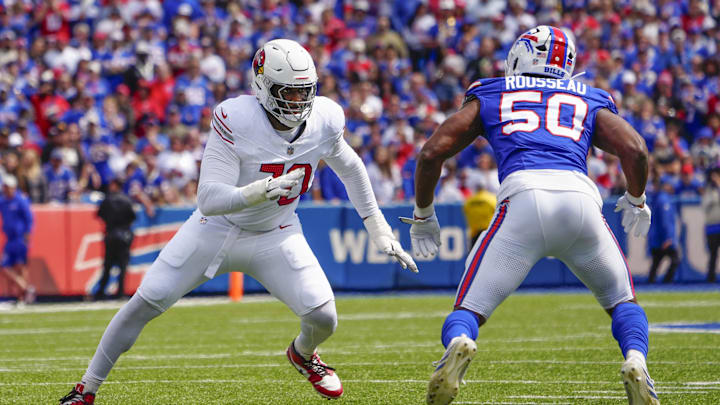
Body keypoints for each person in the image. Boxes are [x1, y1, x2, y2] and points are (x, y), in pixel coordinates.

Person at [59, 39, 417, 405]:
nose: (297, 103)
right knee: (146, 301)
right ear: (262, 86)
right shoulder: (237, 118)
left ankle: (304, 354)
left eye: (303, 93)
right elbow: (209, 199)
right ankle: (85, 389)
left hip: (276, 232)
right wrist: (260, 190)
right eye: (287, 93)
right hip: (214, 229)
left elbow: (352, 168)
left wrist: (377, 228)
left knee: (324, 316)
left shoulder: (324, 119)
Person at [401, 26, 659, 405]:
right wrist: (636, 199)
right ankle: (636, 361)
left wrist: (423, 214)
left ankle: (458, 343)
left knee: (468, 310)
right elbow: (635, 149)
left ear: (520, 55)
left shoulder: (493, 90)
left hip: (522, 198)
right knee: (623, 302)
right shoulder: (589, 96)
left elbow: (431, 153)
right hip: (580, 200)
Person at [94, 178, 136, 300]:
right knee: (123, 266)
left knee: (108, 265)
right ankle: (120, 292)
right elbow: (133, 217)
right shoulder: (127, 200)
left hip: (111, 234)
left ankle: (101, 291)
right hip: (124, 235)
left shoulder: (107, 200)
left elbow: (99, 215)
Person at [0, 175, 35, 305]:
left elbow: (29, 218)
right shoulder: (3, 201)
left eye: (8, 187)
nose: (6, 189)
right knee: (4, 267)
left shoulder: (20, 200)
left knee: (21, 267)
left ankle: (22, 296)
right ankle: (26, 288)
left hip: (20, 238)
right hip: (10, 239)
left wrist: (27, 234)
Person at [647, 176, 679, 284]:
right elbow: (665, 221)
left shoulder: (658, 198)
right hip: (661, 238)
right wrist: (668, 237)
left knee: (656, 262)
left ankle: (651, 282)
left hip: (656, 237)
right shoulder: (663, 200)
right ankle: (666, 282)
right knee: (675, 260)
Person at [701, 167, 720, 282]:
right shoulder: (708, 190)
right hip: (712, 227)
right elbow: (704, 205)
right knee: (713, 254)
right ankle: (710, 277)